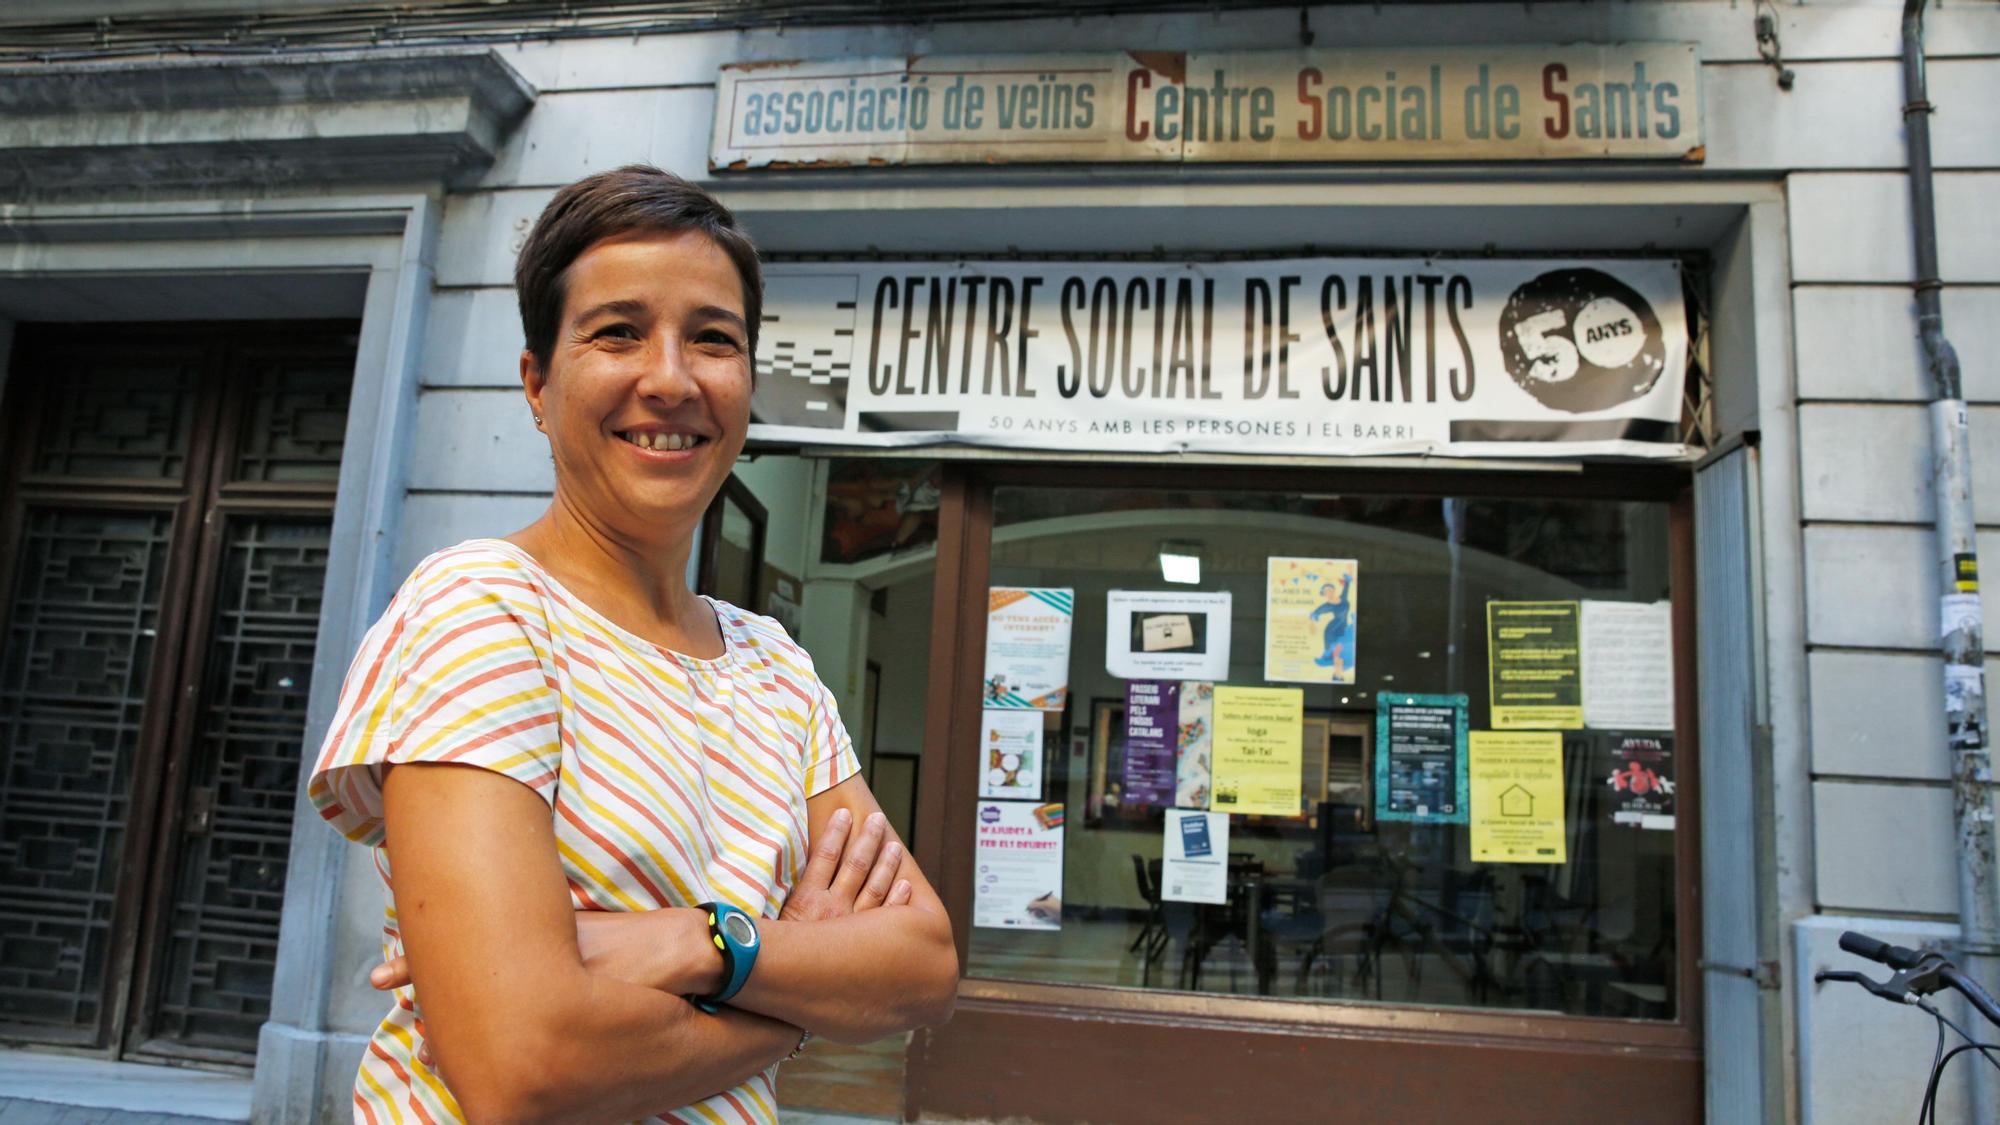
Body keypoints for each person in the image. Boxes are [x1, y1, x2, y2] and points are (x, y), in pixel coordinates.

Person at [307, 165, 957, 1125]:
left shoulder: (773, 665)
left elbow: (922, 961)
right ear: (538, 383)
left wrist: (695, 944)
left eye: (713, 339)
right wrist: (792, 985)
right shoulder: (481, 610)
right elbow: (524, 1066)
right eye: (617, 332)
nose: (671, 377)